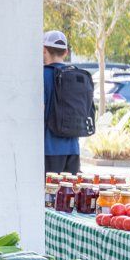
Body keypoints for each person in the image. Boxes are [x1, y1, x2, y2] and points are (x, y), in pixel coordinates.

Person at [42, 31, 81, 174]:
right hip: (73, 149)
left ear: (44, 50)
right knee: (69, 195)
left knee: (49, 194)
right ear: (66, 52)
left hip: (49, 149)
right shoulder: (76, 75)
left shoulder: (42, 76)